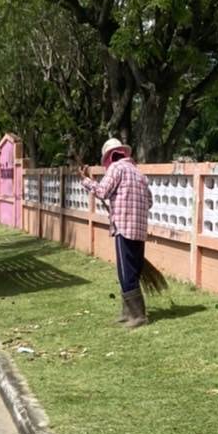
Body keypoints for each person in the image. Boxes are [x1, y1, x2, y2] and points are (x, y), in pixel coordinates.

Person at [83, 137, 153, 329]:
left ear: (109, 157)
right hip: (139, 228)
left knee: (125, 272)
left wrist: (86, 181)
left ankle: (138, 316)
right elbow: (149, 202)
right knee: (134, 269)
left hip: (123, 225)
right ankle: (127, 312)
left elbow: (103, 191)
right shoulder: (139, 173)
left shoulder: (116, 169)